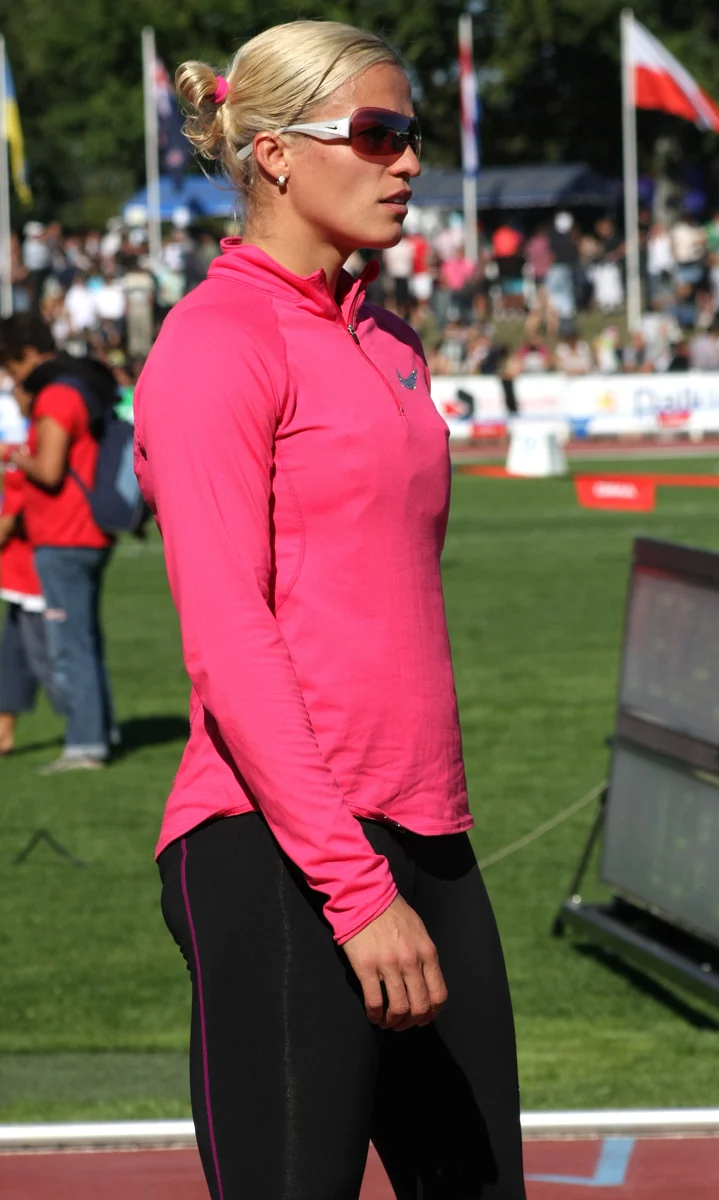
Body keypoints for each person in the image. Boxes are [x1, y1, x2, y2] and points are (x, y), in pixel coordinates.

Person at [133, 20, 525, 1200]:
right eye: (376, 134)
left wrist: (398, 868)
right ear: (274, 154)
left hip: (427, 832)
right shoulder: (214, 343)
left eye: (411, 134)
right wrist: (353, 894)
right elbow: (227, 636)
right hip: (277, 848)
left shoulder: (388, 338)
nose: (408, 162)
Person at [0, 313, 118, 772]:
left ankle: (85, 745)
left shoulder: (56, 393)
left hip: (64, 533)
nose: (14, 379)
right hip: (81, 532)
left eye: (12, 367)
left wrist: (13, 455)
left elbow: (48, 470)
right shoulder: (77, 385)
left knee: (69, 646)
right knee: (82, 640)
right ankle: (100, 733)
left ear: (27, 355)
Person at [0, 449, 63, 754]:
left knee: (48, 659)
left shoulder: (31, 458)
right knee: (13, 656)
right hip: (18, 576)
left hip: (32, 575)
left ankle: (87, 732)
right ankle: (3, 732)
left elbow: (10, 519)